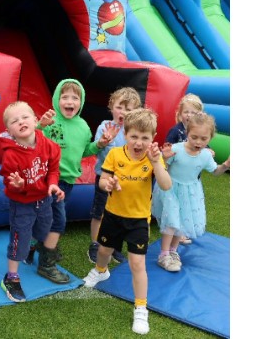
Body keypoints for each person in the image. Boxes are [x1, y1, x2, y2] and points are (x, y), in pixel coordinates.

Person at [82, 108, 172, 335]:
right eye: (134, 136)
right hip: (113, 215)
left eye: (145, 137)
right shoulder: (115, 154)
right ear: (126, 134)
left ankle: (141, 308)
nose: (139, 142)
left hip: (138, 220)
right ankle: (101, 270)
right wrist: (108, 183)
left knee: (137, 263)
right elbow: (103, 180)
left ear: (152, 138)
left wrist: (157, 163)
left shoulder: (154, 157)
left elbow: (166, 185)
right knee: (104, 250)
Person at [36, 78, 116, 284]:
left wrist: (99, 144)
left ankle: (36, 247)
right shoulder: (51, 121)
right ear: (57, 99)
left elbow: (85, 151)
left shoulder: (82, 126)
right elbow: (32, 140)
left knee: (49, 217)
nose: (69, 101)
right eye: (65, 97)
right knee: (58, 221)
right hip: (50, 180)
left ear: (80, 102)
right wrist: (40, 125)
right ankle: (46, 264)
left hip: (68, 181)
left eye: (75, 97)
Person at [0, 101, 65, 302]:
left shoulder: (49, 146)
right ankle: (11, 277)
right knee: (20, 240)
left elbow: (53, 169)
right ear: (9, 130)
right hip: (22, 205)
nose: (21, 122)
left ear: (36, 120)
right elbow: (10, 186)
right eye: (14, 121)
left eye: (25, 117)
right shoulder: (11, 155)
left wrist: (53, 185)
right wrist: (18, 185)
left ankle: (31, 248)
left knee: (44, 230)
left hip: (43, 200)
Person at [152, 112, 230, 272]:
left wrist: (225, 166)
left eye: (204, 139)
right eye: (194, 137)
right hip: (171, 189)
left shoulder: (206, 156)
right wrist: (164, 158)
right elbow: (162, 168)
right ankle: (163, 254)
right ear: (187, 133)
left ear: (210, 138)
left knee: (181, 221)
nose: (198, 142)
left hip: (190, 193)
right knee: (171, 220)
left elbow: (215, 171)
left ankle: (173, 252)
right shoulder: (176, 149)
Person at [87, 87, 141, 264]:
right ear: (111, 107)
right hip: (105, 178)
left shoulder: (133, 132)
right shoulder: (105, 126)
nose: (123, 112)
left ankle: (114, 245)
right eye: (120, 107)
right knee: (100, 213)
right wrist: (104, 141)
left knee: (119, 215)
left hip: (126, 182)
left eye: (129, 109)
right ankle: (95, 244)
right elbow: (97, 149)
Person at [163, 93, 213, 245]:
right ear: (180, 114)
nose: (189, 115)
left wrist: (209, 151)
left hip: (191, 177)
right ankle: (170, 242)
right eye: (186, 112)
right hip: (175, 175)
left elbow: (204, 144)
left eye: (193, 112)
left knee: (186, 207)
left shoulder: (201, 130)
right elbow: (168, 146)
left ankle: (181, 232)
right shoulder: (176, 131)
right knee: (174, 208)